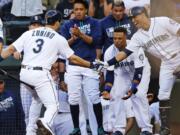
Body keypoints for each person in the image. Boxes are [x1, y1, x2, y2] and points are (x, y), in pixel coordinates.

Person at [0, 9, 101, 135]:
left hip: (24, 74)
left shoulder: (30, 33)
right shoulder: (58, 38)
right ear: (58, 22)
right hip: (40, 75)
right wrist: (91, 64)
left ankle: (30, 132)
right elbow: (73, 58)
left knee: (36, 100)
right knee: (53, 106)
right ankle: (46, 122)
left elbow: (9, 49)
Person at [103, 6, 180, 135]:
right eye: (131, 19)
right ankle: (165, 128)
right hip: (167, 64)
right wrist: (107, 64)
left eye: (135, 17)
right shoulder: (137, 37)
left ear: (144, 14)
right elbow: (125, 53)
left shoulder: (162, 21)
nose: (133, 21)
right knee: (162, 95)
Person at [60, 0, 104, 134]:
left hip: (90, 65)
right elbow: (62, 45)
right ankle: (76, 127)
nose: (78, 11)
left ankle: (100, 127)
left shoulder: (95, 23)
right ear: (73, 11)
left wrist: (80, 34)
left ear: (86, 10)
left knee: (94, 97)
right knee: (73, 98)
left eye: (81, 9)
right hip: (73, 66)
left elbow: (95, 41)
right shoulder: (67, 24)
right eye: (76, 9)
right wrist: (73, 39)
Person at [103, 27, 152, 135]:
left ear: (126, 37)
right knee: (116, 94)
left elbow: (138, 71)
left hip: (141, 71)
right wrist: (107, 89)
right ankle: (119, 129)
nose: (117, 41)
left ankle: (146, 129)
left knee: (138, 94)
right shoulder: (109, 52)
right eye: (114, 38)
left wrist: (133, 88)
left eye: (120, 38)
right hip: (123, 72)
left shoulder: (135, 47)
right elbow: (110, 74)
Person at [13, 15, 44, 126]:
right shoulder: (25, 37)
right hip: (26, 78)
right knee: (27, 112)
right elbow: (15, 51)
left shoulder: (47, 39)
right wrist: (16, 52)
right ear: (29, 26)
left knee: (44, 113)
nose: (35, 27)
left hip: (42, 78)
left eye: (38, 25)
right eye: (33, 25)